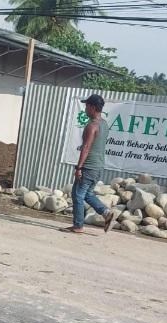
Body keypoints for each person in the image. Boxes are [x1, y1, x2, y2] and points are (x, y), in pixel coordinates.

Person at [61, 94, 118, 234]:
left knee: (77, 195)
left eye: (87, 106)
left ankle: (78, 226)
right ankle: (106, 213)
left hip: (89, 166)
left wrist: (79, 167)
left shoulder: (91, 126)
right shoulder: (104, 124)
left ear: (92, 107)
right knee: (87, 194)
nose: (85, 108)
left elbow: (86, 148)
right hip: (98, 166)